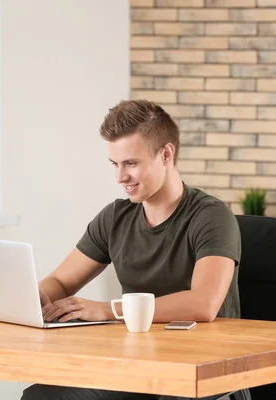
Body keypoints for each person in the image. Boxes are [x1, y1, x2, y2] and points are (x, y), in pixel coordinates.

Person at [21, 99, 251, 400]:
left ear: (166, 154)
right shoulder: (115, 218)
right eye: (115, 164)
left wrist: (108, 309)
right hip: (139, 366)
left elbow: (203, 303)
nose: (120, 177)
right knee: (43, 396)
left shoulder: (211, 217)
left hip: (203, 369)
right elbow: (63, 282)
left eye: (131, 163)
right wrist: (36, 296)